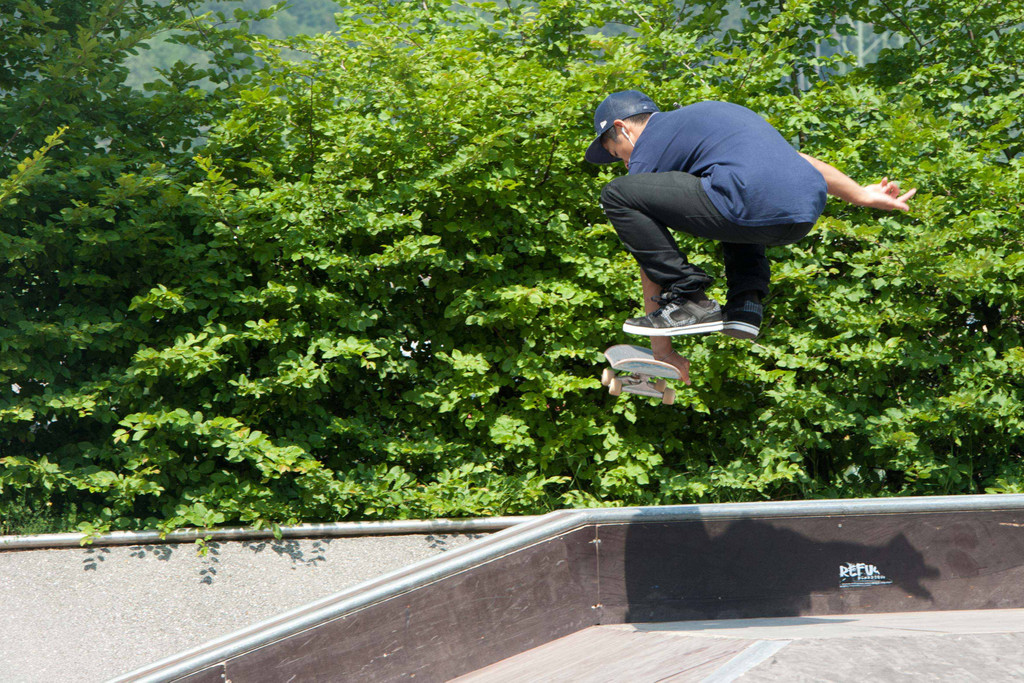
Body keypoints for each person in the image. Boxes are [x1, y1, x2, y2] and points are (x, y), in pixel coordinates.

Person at [586, 90, 916, 383]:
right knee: (727, 190)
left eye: (617, 153)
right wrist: (861, 194)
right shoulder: (706, 123)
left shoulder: (651, 141)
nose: (625, 162)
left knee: (618, 194)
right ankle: (745, 305)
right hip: (800, 213)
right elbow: (800, 161)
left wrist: (662, 350)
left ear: (623, 128)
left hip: (748, 199)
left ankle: (689, 299)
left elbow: (647, 251)